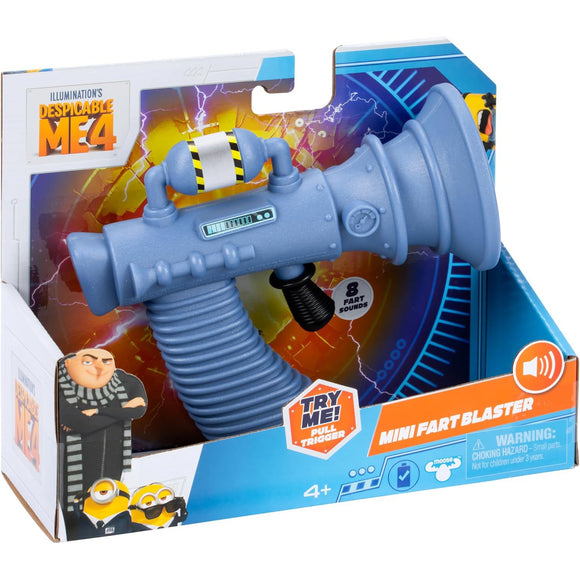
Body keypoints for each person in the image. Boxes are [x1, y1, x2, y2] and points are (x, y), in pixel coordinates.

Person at [57, 348, 147, 538]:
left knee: (110, 511)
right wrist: (122, 411)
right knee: (74, 520)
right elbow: (83, 424)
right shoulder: (60, 388)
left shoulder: (126, 382)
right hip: (73, 473)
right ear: (69, 364)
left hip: (113, 466)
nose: (99, 367)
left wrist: (97, 411)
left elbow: (139, 409)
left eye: (106, 361)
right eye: (88, 362)